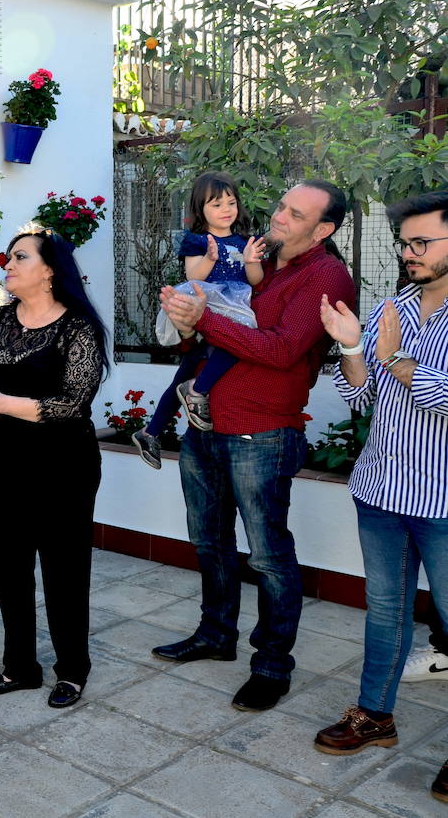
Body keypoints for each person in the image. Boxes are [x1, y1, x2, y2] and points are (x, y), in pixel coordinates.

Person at [152, 180, 355, 712]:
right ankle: (215, 635)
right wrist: (186, 322)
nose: (279, 215)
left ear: (324, 229)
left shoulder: (325, 275)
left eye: (295, 212)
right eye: (282, 205)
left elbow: (284, 349)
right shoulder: (259, 260)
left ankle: (270, 665)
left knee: (267, 556)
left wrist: (206, 321)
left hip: (260, 433)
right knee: (209, 541)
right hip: (206, 426)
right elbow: (209, 336)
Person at [314, 191, 448, 804]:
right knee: (386, 614)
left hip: (444, 504)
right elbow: (363, 398)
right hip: (384, 490)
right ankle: (375, 716)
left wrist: (394, 356)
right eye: (405, 243)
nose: (408, 253)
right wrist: (349, 346)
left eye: (422, 243)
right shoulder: (394, 307)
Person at [0, 227, 108, 709]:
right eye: (10, 257)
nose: (9, 264)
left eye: (20, 257)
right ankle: (20, 666)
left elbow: (71, 403)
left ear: (48, 271)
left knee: (64, 569)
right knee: (9, 568)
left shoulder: (78, 327)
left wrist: (0, 402)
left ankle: (73, 670)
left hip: (63, 464)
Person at [132, 171, 267, 467]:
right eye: (216, 205)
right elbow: (194, 276)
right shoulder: (196, 241)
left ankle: (151, 431)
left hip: (233, 302)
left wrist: (252, 260)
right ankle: (197, 390)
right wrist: (211, 257)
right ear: (200, 208)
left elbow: (255, 280)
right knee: (236, 342)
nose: (226, 210)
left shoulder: (244, 240)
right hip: (206, 300)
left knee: (194, 366)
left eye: (230, 203)